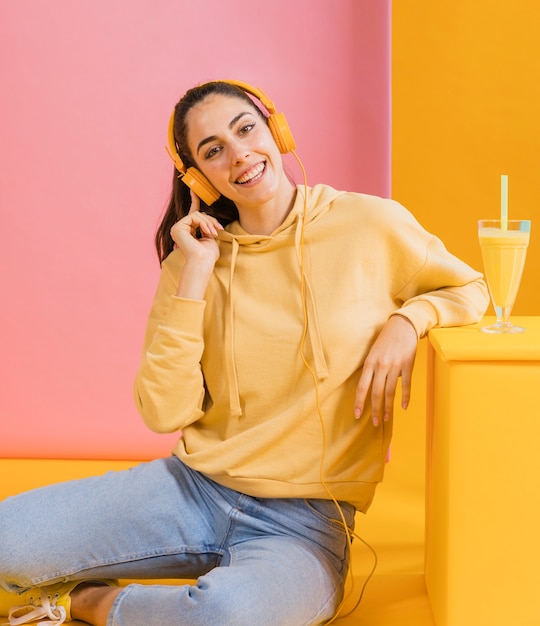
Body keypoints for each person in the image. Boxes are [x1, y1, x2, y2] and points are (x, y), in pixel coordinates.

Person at [0, 79, 489, 626]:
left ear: (275, 131)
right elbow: (163, 412)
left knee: (227, 616)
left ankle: (88, 601)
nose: (239, 156)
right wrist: (197, 275)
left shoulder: (370, 224)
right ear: (198, 177)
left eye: (246, 129)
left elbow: (472, 288)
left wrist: (409, 318)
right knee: (5, 543)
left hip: (304, 525)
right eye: (213, 151)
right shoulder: (190, 265)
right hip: (192, 490)